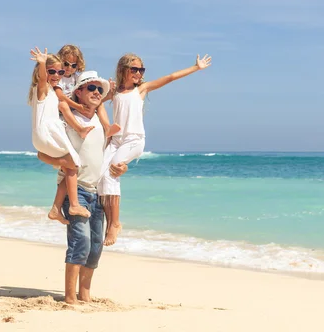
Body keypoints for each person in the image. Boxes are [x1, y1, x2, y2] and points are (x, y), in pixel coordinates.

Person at [99, 53, 212, 246]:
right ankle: (110, 222)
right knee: (99, 176)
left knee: (111, 174)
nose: (138, 73)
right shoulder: (115, 91)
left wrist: (196, 67)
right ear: (123, 70)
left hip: (133, 140)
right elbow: (98, 103)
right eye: (134, 69)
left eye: (141, 70)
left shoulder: (141, 89)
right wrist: (106, 121)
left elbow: (170, 78)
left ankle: (115, 224)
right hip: (116, 140)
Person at [59, 70, 128, 304]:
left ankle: (84, 295)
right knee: (81, 243)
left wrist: (120, 167)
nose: (97, 92)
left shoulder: (100, 119)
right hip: (76, 189)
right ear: (78, 92)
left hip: (98, 191)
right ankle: (70, 298)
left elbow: (110, 153)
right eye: (91, 88)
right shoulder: (69, 117)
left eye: (99, 89)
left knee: (96, 245)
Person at [28, 47, 94, 223]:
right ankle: (73, 205)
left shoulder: (50, 90)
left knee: (71, 167)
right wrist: (42, 63)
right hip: (48, 133)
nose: (57, 75)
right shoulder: (42, 88)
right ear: (43, 72)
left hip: (43, 136)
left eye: (60, 72)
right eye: (52, 71)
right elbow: (43, 78)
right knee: (73, 164)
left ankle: (56, 209)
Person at [55, 44, 120, 139]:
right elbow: (60, 96)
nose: (69, 68)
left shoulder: (76, 78)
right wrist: (77, 106)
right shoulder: (59, 77)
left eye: (73, 65)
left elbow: (86, 93)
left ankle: (107, 128)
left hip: (76, 104)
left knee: (100, 104)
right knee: (63, 105)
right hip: (64, 107)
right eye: (66, 64)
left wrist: (107, 93)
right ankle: (80, 129)